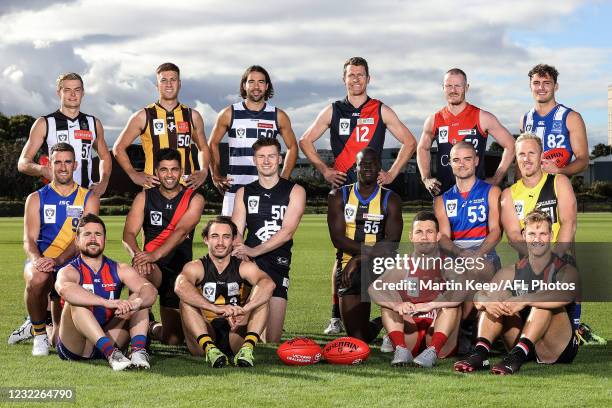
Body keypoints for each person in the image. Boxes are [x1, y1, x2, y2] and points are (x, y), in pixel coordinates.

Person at [299, 57, 416, 334]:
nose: (355, 80)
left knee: (382, 253)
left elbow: (410, 141)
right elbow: (305, 140)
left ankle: (389, 320)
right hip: (344, 190)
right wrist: (324, 170)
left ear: (368, 79)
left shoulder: (380, 109)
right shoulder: (333, 109)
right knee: (341, 255)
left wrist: (392, 174)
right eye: (351, 75)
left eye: (360, 75)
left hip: (374, 191)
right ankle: (336, 316)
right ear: (344, 79)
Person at [454, 210, 579, 375]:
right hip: (521, 344)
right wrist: (486, 301)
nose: (537, 239)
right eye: (532, 233)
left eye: (542, 234)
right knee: (498, 294)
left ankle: (518, 355)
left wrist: (525, 299)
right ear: (524, 235)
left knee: (543, 297)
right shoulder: (512, 271)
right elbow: (479, 295)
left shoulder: (565, 268)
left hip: (556, 347)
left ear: (551, 235)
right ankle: (480, 353)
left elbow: (565, 296)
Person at [20, 143, 99, 355]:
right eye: (58, 162)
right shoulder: (36, 198)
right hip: (44, 260)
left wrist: (58, 260)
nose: (63, 167)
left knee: (61, 341)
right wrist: (38, 260)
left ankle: (53, 329)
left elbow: (84, 238)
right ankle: (38, 334)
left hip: (73, 263)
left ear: (75, 165)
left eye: (67, 162)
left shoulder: (89, 198)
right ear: (50, 165)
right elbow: (29, 238)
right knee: (37, 277)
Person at [122, 148, 205, 345]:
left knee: (173, 339)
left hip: (179, 270)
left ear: (181, 170)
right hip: (152, 267)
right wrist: (138, 256)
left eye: (174, 169)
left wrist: (154, 254)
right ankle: (137, 342)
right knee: (141, 273)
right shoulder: (144, 197)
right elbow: (129, 233)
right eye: (164, 170)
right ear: (157, 172)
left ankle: (151, 328)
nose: (169, 175)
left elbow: (181, 231)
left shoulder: (195, 198)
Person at [55, 214, 157, 370]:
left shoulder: (119, 268)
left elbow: (149, 289)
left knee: (138, 296)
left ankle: (138, 353)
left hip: (110, 337)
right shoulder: (69, 270)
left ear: (105, 240)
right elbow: (66, 290)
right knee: (76, 302)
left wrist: (137, 303)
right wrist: (107, 302)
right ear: (77, 241)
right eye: (87, 234)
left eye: (98, 234)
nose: (93, 239)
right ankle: (112, 354)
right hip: (77, 345)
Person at [231, 138, 306, 343]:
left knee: (271, 340)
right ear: (254, 160)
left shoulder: (295, 191)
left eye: (271, 156)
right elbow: (236, 231)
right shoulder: (244, 192)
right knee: (238, 334)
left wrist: (255, 250)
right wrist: (245, 253)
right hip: (249, 265)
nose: (266, 161)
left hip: (278, 264)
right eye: (261, 156)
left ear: (280, 159)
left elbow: (287, 231)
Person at [175, 217, 275, 368]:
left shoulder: (244, 267)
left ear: (234, 240)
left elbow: (269, 284)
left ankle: (246, 350)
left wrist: (243, 310)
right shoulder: (196, 267)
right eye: (215, 236)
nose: (220, 242)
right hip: (204, 332)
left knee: (262, 298)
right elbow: (180, 287)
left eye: (226, 237)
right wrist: (216, 308)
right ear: (206, 239)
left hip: (235, 332)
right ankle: (211, 350)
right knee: (185, 301)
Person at [369, 211, 464, 367]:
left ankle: (432, 351)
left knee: (452, 305)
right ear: (411, 236)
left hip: (438, 327)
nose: (424, 237)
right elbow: (374, 288)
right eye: (419, 232)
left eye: (429, 232)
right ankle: (400, 348)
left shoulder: (448, 264)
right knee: (388, 301)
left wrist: (432, 305)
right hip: (411, 326)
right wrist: (396, 305)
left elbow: (462, 291)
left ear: (438, 236)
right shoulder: (403, 264)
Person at [328, 148, 403, 343]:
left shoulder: (391, 198)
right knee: (358, 338)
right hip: (348, 266)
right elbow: (338, 239)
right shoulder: (338, 195)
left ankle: (396, 324)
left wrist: (360, 257)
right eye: (363, 163)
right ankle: (380, 323)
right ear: (356, 167)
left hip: (382, 264)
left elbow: (391, 244)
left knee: (409, 277)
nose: (368, 166)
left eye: (372, 163)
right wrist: (357, 259)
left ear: (379, 167)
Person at [208, 65, 298, 216]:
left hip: (267, 190)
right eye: (251, 82)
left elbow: (293, 147)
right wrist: (215, 174)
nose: (256, 86)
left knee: (264, 238)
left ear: (267, 86)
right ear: (244, 85)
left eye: (261, 82)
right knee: (230, 237)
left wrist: (283, 178)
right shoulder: (229, 113)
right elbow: (212, 143)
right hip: (234, 189)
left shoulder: (278, 115)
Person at [417, 68, 515, 196]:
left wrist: (497, 178)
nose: (453, 90)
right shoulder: (434, 120)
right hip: (444, 194)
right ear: (443, 88)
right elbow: (422, 148)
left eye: (458, 86)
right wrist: (426, 178)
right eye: (449, 86)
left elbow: (511, 145)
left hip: (477, 194)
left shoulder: (482, 117)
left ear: (466, 88)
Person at [113, 62, 210, 190]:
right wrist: (133, 174)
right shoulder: (143, 116)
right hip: (154, 187)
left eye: (173, 80)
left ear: (179, 84)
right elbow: (118, 148)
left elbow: (203, 148)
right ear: (157, 85)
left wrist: (204, 171)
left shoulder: (192, 116)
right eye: (163, 80)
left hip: (185, 187)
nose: (169, 84)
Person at [18, 72, 111, 195]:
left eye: (77, 90)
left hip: (85, 195)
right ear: (59, 92)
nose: (73, 94)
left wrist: (103, 183)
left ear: (82, 93)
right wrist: (42, 170)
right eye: (67, 90)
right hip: (53, 194)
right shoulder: (44, 123)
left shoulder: (93, 123)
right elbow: (23, 163)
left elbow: (105, 157)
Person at [500, 134, 576, 256]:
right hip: (529, 263)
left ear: (541, 156)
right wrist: (537, 258)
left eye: (531, 153)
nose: (526, 158)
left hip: (561, 261)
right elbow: (513, 235)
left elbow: (569, 223)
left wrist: (554, 258)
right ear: (516, 158)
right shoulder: (508, 194)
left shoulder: (559, 182)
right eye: (522, 154)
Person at [520, 64, 588, 176]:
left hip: (557, 187)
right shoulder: (525, 119)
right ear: (530, 86)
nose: (541, 88)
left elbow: (583, 161)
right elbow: (521, 157)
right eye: (536, 83)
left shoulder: (571, 117)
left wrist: (559, 171)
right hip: (529, 187)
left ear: (555, 86)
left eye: (546, 83)